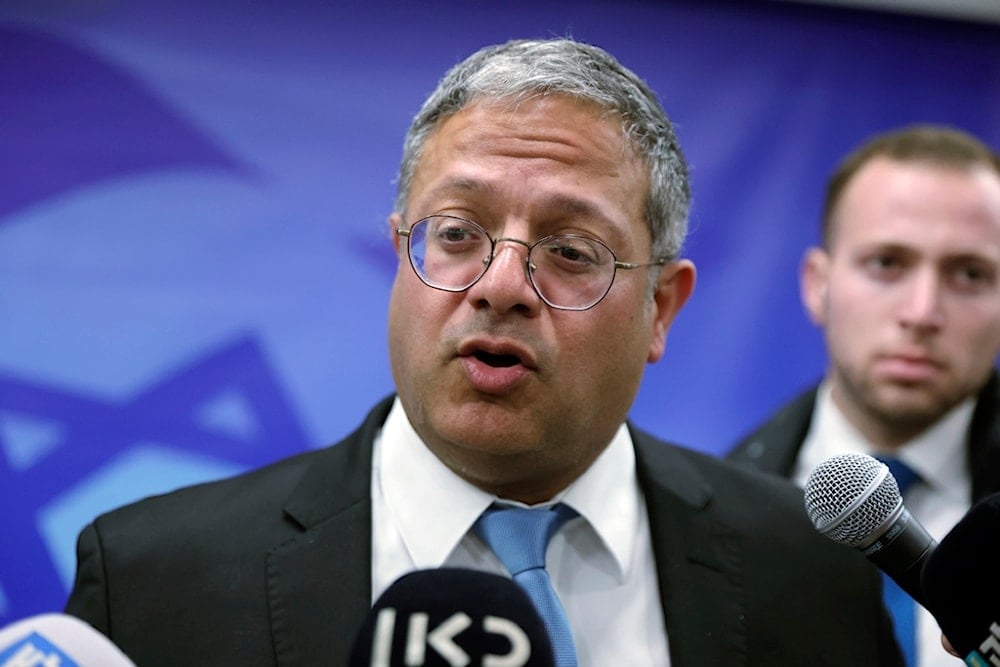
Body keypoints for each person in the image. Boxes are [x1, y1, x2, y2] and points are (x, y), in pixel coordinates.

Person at [64, 38, 904, 666]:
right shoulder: (152, 584)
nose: (502, 285)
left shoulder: (810, 574)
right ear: (400, 256)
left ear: (661, 308)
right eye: (458, 233)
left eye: (572, 250)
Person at [729, 124, 1000, 667]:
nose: (922, 313)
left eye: (969, 273)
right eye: (886, 264)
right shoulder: (717, 508)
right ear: (817, 285)